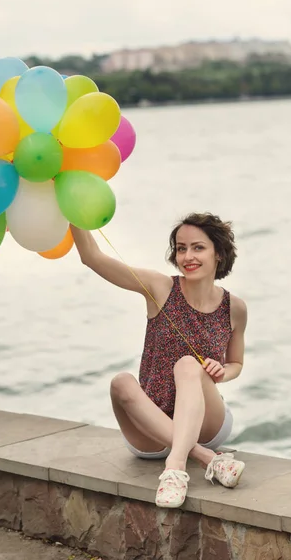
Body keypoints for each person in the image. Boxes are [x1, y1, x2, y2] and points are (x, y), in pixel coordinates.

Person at [71, 212, 247, 509]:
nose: (187, 256)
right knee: (121, 383)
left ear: (219, 253)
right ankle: (206, 458)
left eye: (198, 247)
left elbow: (236, 364)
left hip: (207, 423)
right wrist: (71, 210)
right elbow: (92, 257)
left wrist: (222, 372)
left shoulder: (235, 307)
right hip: (150, 431)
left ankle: (175, 469)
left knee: (188, 364)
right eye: (181, 248)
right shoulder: (161, 287)